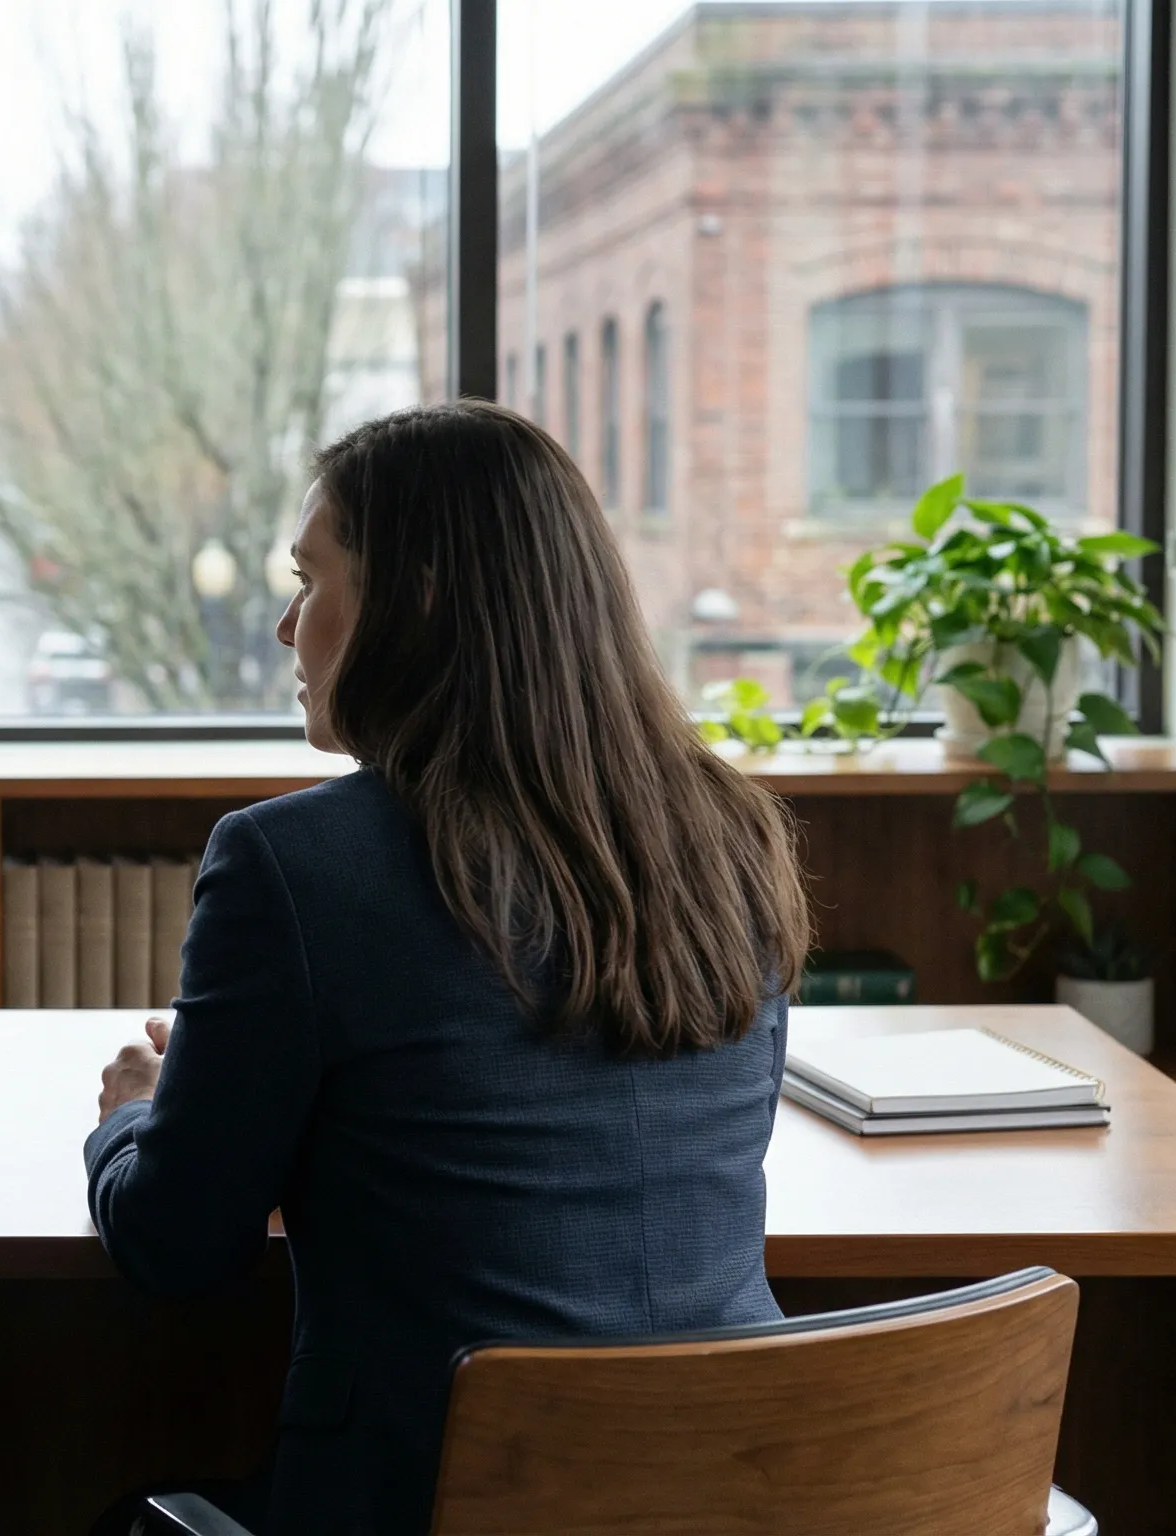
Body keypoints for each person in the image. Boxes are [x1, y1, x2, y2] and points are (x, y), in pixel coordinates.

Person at [85, 401, 809, 1535]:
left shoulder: (292, 863)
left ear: (411, 605)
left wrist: (139, 1116)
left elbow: (176, 1248)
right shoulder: (733, 832)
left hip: (430, 1498)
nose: (285, 627)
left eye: (310, 580)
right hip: (738, 1487)